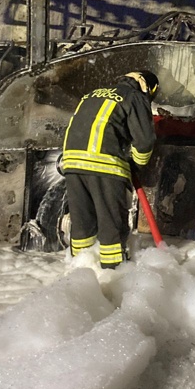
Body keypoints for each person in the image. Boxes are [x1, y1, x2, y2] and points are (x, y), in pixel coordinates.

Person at [59, 70, 159, 268]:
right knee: (111, 226)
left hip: (72, 163)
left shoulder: (92, 94)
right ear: (148, 88)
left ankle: (81, 272)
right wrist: (136, 165)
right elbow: (145, 141)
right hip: (104, 165)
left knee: (82, 225)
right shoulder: (135, 97)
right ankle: (113, 275)